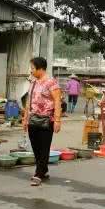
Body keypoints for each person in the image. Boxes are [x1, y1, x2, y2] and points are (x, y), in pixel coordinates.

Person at [22, 57, 62, 187]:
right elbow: (28, 102)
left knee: (44, 147)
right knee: (36, 147)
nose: (31, 71)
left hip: (46, 120)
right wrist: (25, 118)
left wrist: (57, 120)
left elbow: (57, 101)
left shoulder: (51, 82)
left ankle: (38, 174)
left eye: (33, 68)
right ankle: (43, 170)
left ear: (40, 68)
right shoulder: (33, 82)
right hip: (33, 119)